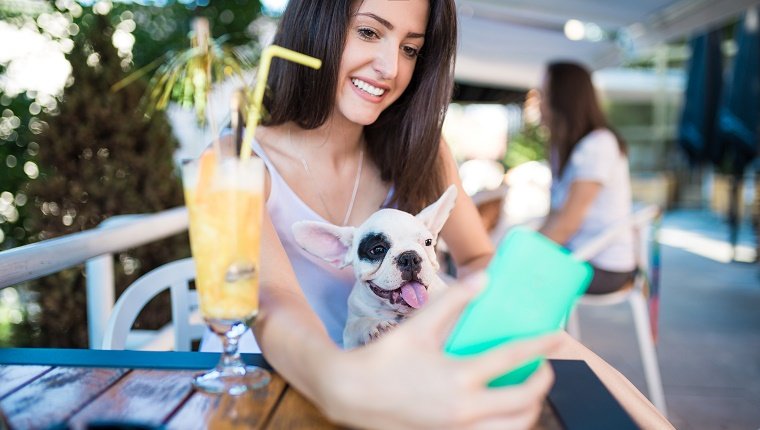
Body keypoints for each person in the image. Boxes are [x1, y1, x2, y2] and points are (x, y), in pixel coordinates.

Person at [209, 2, 672, 428]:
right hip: (269, 391)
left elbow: (477, 262)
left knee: (563, 350)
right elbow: (270, 297)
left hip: (406, 383)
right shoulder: (233, 163)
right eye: (369, 32)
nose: (391, 68)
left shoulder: (423, 152)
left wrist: (493, 315)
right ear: (315, 26)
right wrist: (341, 380)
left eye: (411, 49)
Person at [538, 62, 637, 295]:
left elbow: (566, 224)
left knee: (512, 277)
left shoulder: (598, 144)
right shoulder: (570, 148)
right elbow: (556, 218)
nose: (537, 103)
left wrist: (514, 257)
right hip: (580, 256)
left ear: (562, 98)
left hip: (604, 267)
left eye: (544, 94)